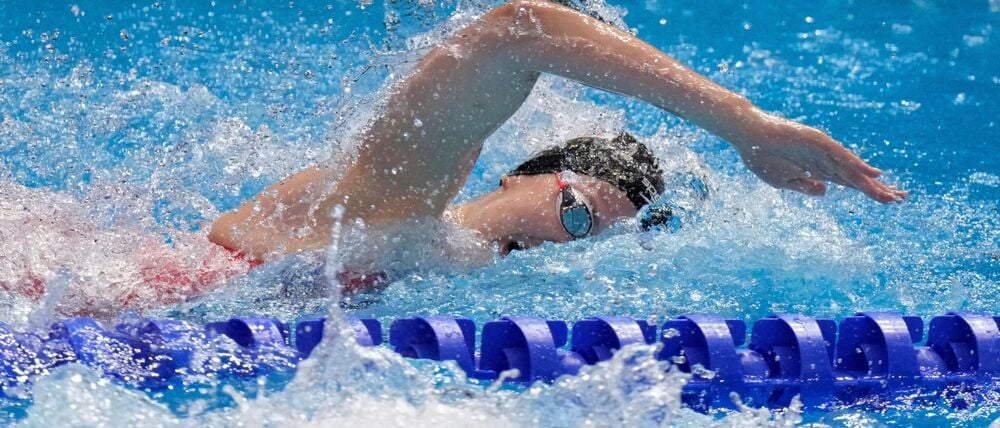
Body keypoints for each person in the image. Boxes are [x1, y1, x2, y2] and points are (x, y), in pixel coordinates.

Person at [208, 0, 906, 269]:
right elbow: (518, 31)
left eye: (586, 240)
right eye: (575, 213)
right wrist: (743, 124)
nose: (560, 242)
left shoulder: (451, 272)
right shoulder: (397, 203)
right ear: (518, 175)